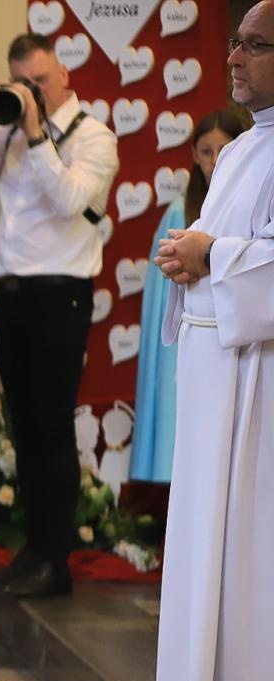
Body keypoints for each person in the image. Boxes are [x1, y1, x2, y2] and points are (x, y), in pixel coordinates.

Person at [0, 33, 120, 597]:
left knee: (51, 428)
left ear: (62, 76)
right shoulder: (7, 131)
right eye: (23, 81)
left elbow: (72, 201)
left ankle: (56, 560)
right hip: (14, 296)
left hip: (61, 295)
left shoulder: (94, 136)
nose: (33, 92)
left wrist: (37, 135)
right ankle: (35, 551)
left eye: (40, 81)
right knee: (25, 429)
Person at [154, 3, 274, 681]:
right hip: (219, 381)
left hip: (262, 388)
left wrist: (211, 251)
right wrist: (185, 251)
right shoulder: (241, 151)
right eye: (235, 41)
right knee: (222, 553)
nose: (234, 56)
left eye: (255, 45)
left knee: (257, 555)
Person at [133, 109, 251, 483]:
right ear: (194, 155)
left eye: (225, 149)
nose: (215, 161)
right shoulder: (177, 213)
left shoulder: (250, 205)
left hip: (237, 337)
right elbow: (160, 307)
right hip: (189, 338)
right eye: (205, 151)